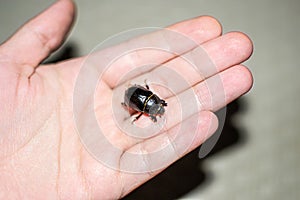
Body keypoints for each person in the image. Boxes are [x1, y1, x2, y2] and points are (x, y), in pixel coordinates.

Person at [0, 0, 253, 199]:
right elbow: (149, 101)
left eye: (156, 106)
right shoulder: (145, 103)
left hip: (136, 96)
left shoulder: (151, 102)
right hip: (134, 97)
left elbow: (152, 100)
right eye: (155, 107)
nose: (157, 107)